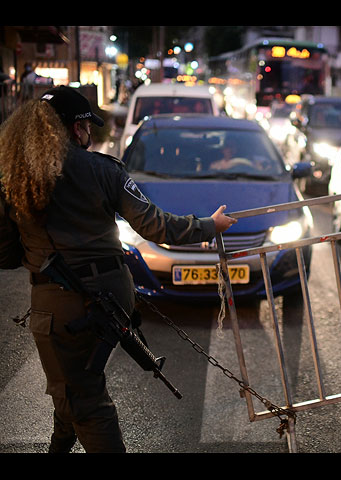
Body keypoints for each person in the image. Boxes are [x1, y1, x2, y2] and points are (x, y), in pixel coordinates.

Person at [0, 85, 237, 453]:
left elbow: (4, 254)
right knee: (74, 382)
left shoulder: (14, 177)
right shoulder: (104, 170)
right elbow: (157, 226)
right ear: (75, 128)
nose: (89, 135)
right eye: (86, 126)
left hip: (59, 305)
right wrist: (209, 225)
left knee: (84, 398)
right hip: (113, 296)